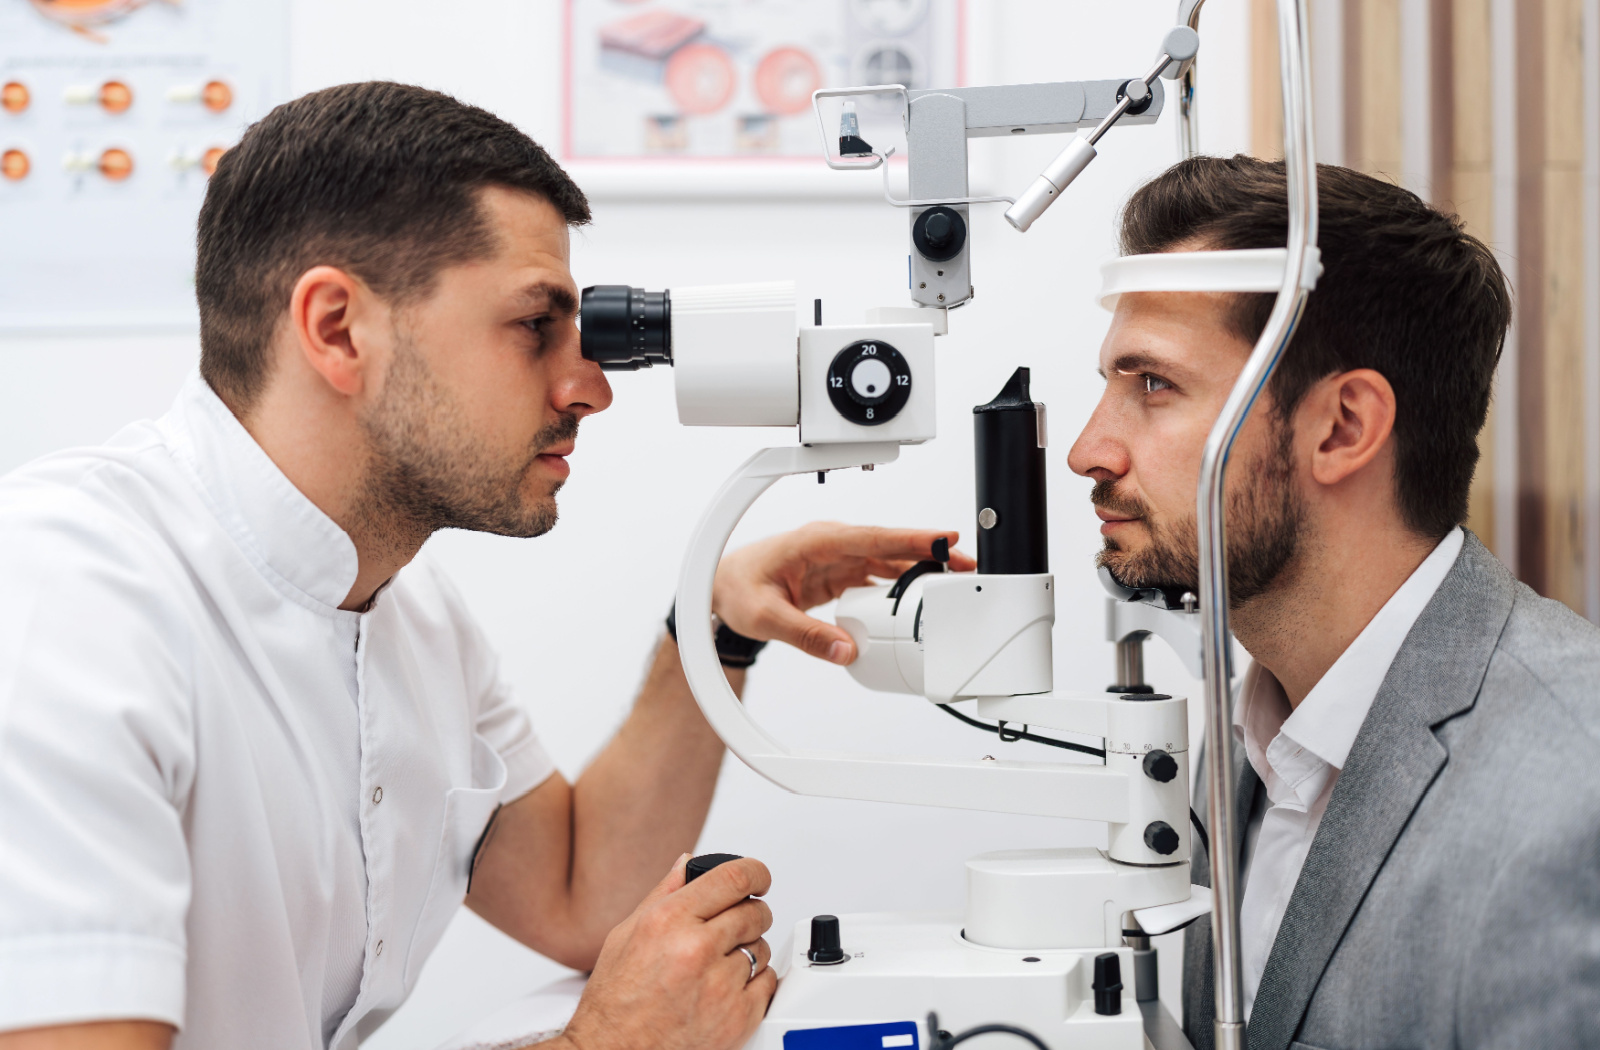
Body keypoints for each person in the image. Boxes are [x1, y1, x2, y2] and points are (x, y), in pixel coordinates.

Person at [0, 82, 974, 1050]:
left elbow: (578, 891)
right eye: (533, 325)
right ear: (338, 327)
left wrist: (709, 623)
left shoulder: (411, 614)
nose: (589, 386)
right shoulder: (67, 602)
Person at [1069, 154, 1600, 1050]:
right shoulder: (1250, 737)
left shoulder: (1571, 798)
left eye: (1153, 385)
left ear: (1342, 428)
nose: (1089, 450)